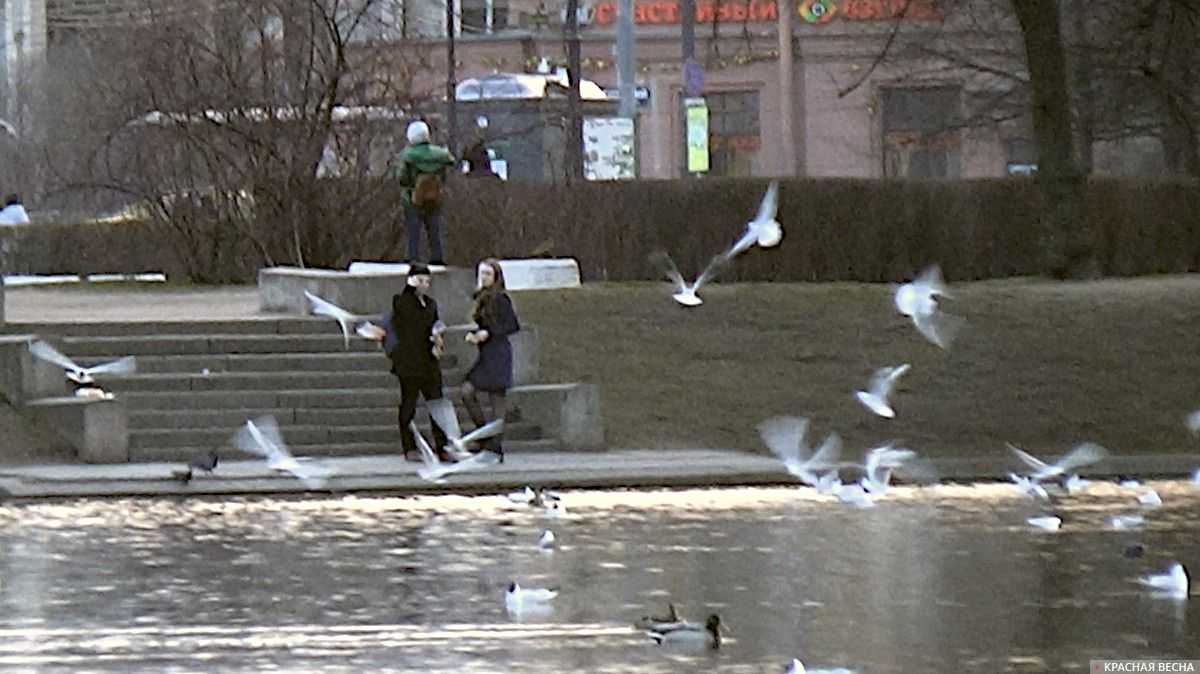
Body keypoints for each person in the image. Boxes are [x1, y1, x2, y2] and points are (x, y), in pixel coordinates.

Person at [381, 263, 451, 461]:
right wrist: (410, 288)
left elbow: (433, 323)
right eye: (420, 280)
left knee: (437, 403)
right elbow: (405, 319)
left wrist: (438, 337)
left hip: (428, 360)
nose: (424, 285)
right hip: (409, 361)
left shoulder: (430, 304)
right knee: (408, 404)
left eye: (427, 281)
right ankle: (409, 447)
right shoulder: (402, 301)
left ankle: (442, 446)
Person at [462, 258, 521, 462]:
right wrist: (475, 334)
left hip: (498, 353)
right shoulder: (481, 297)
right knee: (467, 392)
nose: (484, 278)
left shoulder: (501, 298)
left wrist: (488, 333)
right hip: (486, 353)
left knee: (497, 402)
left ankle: (494, 447)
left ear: (496, 276)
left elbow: (512, 325)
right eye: (482, 274)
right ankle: (485, 437)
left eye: (488, 274)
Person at [394, 121, 455, 265]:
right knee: (434, 228)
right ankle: (437, 256)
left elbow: (401, 178)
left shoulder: (407, 155)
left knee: (413, 229)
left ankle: (413, 257)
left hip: (413, 198)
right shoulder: (440, 154)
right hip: (434, 196)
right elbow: (448, 167)